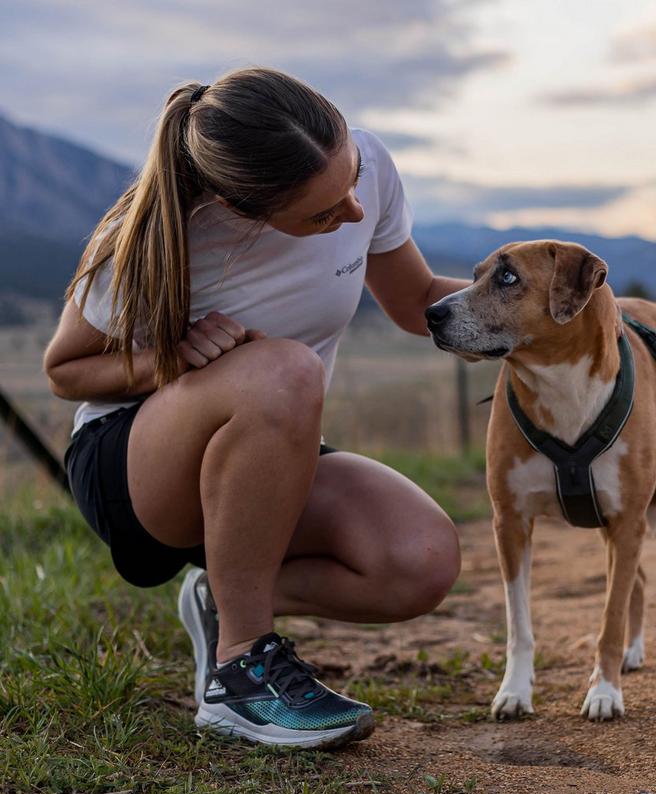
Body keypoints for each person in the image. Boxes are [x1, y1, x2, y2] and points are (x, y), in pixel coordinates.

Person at [43, 67, 466, 750]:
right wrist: (170, 359)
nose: (353, 212)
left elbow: (418, 302)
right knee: (285, 369)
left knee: (417, 561)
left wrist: (560, 313)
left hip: (269, 450)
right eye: (323, 215)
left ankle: (222, 599)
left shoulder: (370, 170)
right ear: (243, 210)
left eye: (351, 181)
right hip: (138, 467)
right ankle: (240, 674)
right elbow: (65, 369)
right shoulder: (160, 232)